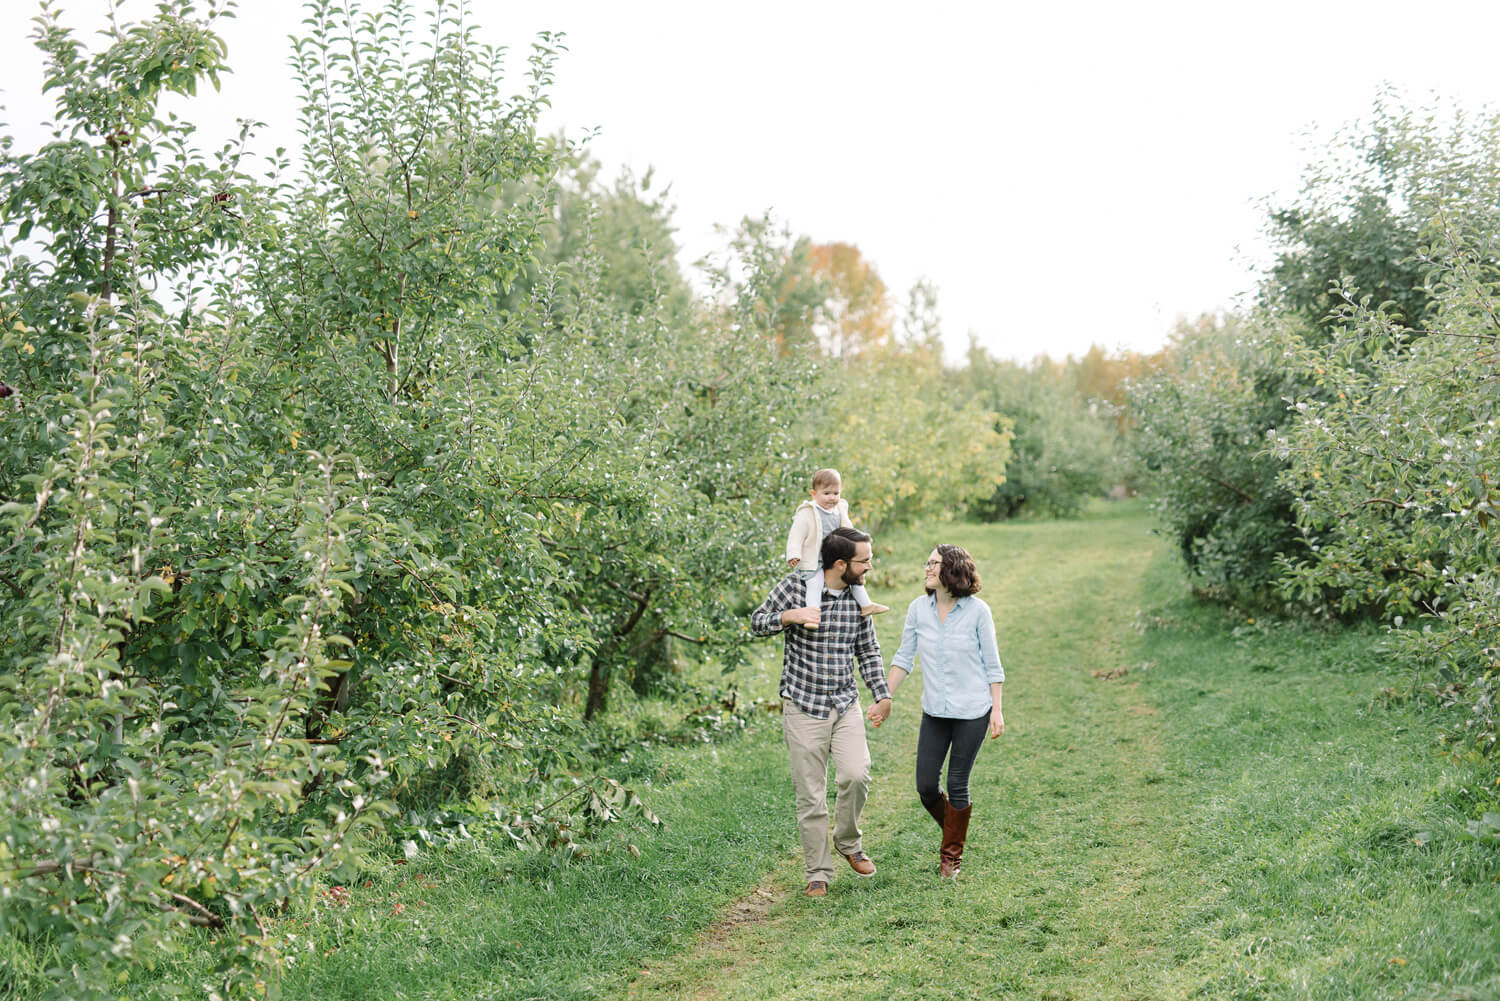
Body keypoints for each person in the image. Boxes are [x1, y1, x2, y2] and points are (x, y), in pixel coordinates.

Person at [752, 526, 893, 898]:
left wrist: (882, 694)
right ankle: (818, 871)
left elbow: (869, 650)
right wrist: (790, 616)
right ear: (840, 563)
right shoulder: (795, 588)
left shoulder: (858, 600)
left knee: (856, 775)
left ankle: (848, 842)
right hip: (803, 705)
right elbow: (756, 621)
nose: (869, 569)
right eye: (865, 562)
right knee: (811, 796)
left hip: (845, 703)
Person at [868, 543, 1004, 877]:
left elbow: (993, 665)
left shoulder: (977, 611)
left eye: (934, 563)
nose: (927, 568)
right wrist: (883, 696)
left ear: (952, 569)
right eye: (927, 563)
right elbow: (903, 657)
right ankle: (955, 832)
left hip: (973, 710)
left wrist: (997, 710)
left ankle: (950, 857)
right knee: (926, 786)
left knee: (958, 783)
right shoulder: (918, 609)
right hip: (935, 711)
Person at [784, 468, 888, 626]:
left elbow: (848, 530)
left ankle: (866, 605)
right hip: (815, 558)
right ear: (814, 494)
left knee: (853, 576)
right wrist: (793, 554)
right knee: (815, 584)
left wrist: (859, 542)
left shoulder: (840, 509)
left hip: (836, 556)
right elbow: (795, 536)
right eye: (826, 493)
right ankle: (812, 616)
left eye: (836, 493)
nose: (832, 498)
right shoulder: (807, 513)